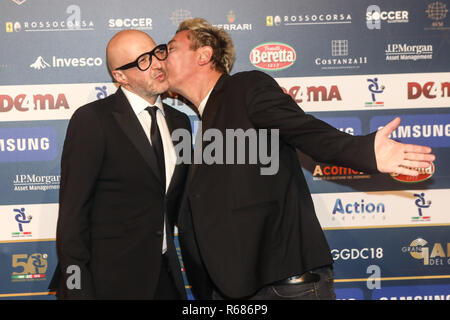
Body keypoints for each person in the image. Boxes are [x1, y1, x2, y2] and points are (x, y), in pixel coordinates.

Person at [164, 18, 436, 300]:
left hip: (284, 287)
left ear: (204, 55)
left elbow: (303, 130)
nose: (163, 57)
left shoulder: (245, 88)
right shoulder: (206, 120)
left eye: (171, 48)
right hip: (237, 288)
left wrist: (364, 150)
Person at [49, 30, 191, 299]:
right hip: (110, 281)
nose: (158, 64)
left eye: (157, 52)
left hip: (166, 276)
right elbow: (73, 214)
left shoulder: (179, 122)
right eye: (143, 61)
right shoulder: (93, 120)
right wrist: (76, 287)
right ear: (120, 76)